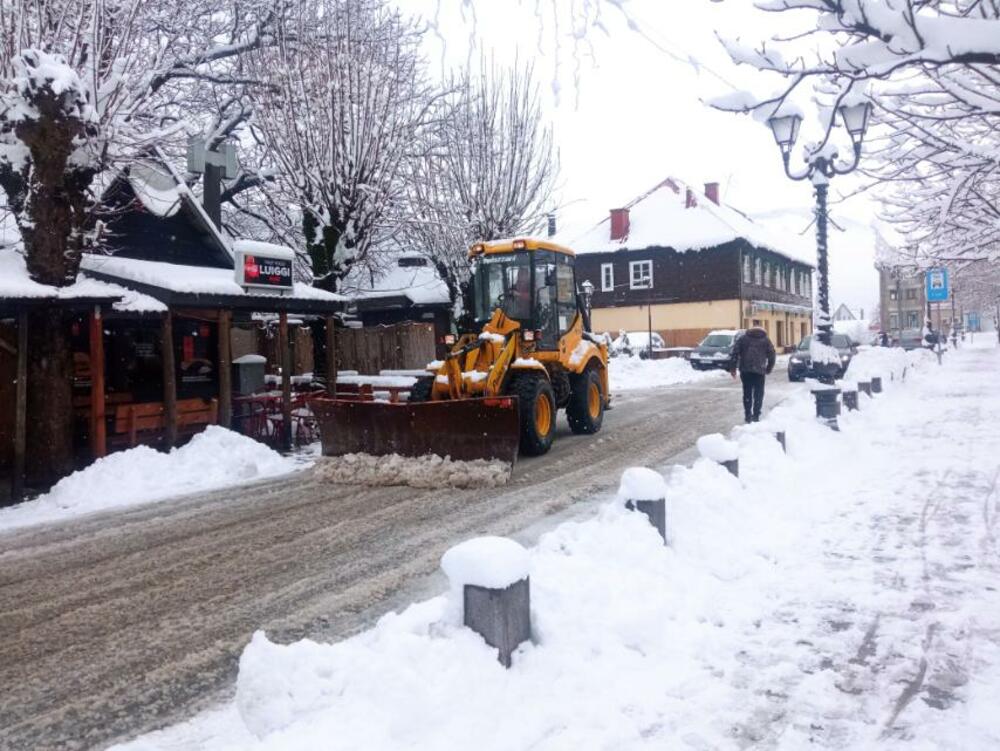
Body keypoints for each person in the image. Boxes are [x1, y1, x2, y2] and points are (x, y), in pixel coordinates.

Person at [730, 326, 776, 423]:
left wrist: (733, 368)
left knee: (747, 393)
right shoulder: (765, 340)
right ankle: (756, 415)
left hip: (745, 371)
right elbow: (772, 354)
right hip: (759, 371)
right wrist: (769, 368)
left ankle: (747, 415)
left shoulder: (743, 339)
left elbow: (735, 353)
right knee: (758, 394)